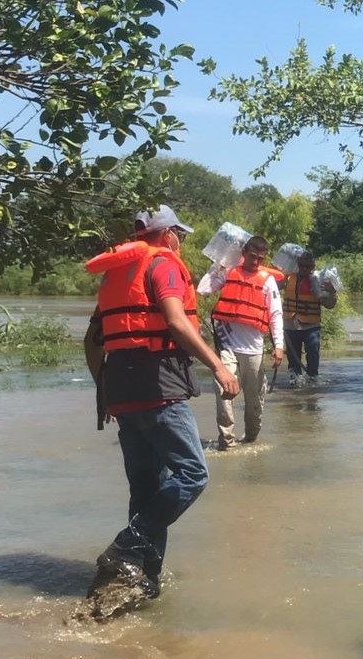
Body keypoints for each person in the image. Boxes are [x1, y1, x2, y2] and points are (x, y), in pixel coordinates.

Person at [81, 205, 240, 619]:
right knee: (193, 473)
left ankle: (142, 577)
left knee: (146, 487)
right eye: (180, 235)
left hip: (122, 387)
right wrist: (219, 366)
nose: (181, 242)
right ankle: (128, 545)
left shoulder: (118, 272)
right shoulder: (163, 266)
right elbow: (176, 321)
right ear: (167, 233)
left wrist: (105, 390)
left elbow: (92, 340)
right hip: (158, 384)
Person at [198, 235, 285, 449]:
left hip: (254, 348)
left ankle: (251, 438)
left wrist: (279, 346)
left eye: (260, 259)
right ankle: (226, 441)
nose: (255, 262)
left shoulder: (267, 280)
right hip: (227, 344)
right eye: (252, 256)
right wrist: (219, 261)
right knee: (223, 391)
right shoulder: (229, 271)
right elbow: (203, 289)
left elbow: (275, 314)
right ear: (243, 253)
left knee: (253, 402)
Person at [282, 249, 337, 386]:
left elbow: (330, 305)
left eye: (308, 266)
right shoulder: (288, 278)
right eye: (302, 265)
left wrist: (331, 292)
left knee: (313, 351)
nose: (305, 269)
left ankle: (312, 379)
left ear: (313, 267)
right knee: (292, 356)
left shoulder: (319, 280)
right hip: (290, 324)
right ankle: (294, 381)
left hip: (311, 325)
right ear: (297, 265)